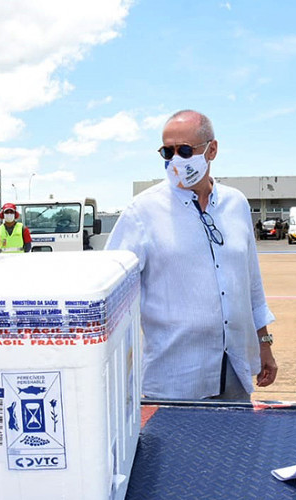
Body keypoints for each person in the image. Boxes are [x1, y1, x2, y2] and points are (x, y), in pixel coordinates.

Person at [106, 109, 277, 400]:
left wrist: (264, 343)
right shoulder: (142, 212)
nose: (175, 160)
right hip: (174, 380)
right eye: (167, 152)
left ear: (212, 150)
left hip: (233, 370)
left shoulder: (236, 204)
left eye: (185, 150)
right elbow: (111, 290)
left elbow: (251, 285)